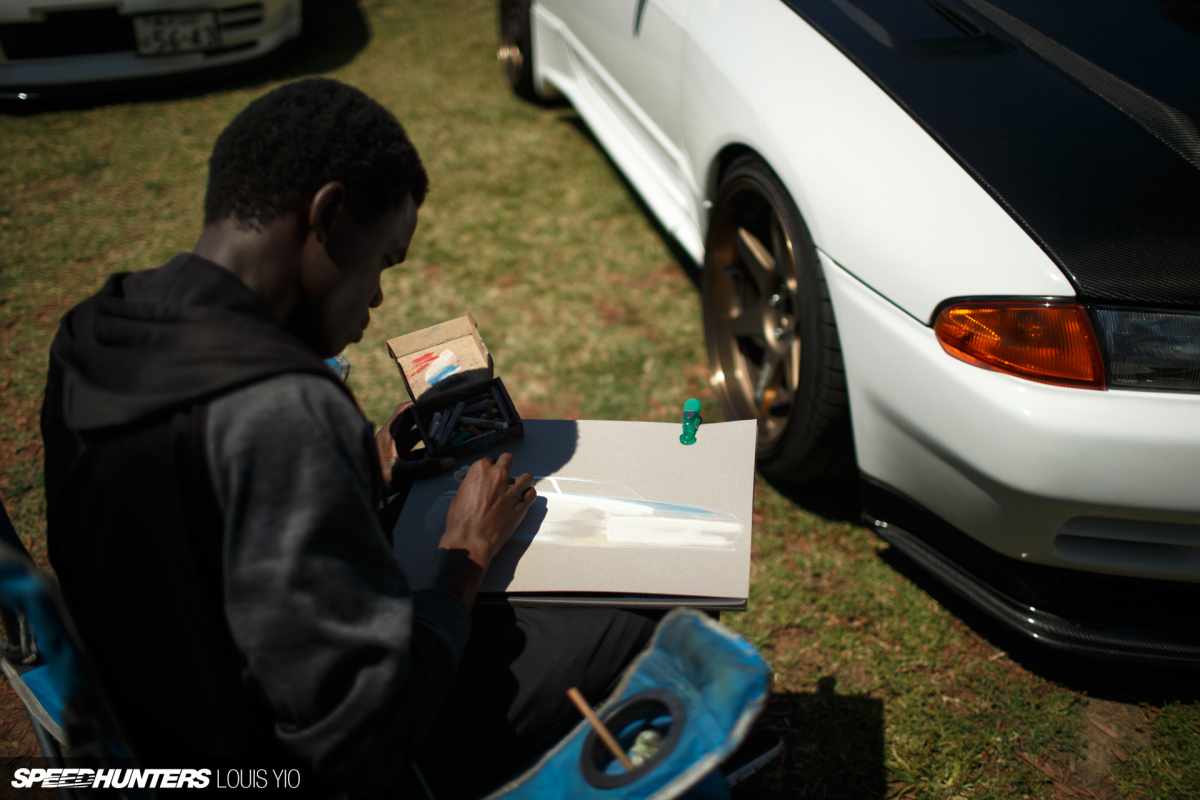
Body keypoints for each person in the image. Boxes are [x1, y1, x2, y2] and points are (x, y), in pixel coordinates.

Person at [40, 78, 661, 799]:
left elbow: (199, 521)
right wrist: (465, 554)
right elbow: (364, 742)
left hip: (151, 730)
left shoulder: (97, 327)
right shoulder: (287, 409)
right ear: (329, 216)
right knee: (638, 611)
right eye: (382, 264)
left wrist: (357, 482)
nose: (376, 298)